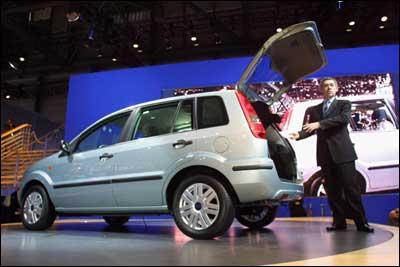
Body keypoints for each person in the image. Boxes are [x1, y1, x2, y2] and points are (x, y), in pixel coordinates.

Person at [289, 77, 374, 233]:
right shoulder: (315, 109)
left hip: (343, 154)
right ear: (321, 89)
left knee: (351, 190)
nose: (328, 88)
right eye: (325, 86)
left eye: (331, 85)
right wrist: (298, 135)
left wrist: (320, 124)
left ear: (336, 88)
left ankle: (362, 224)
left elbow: (343, 119)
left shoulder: (344, 104)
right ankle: (338, 223)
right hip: (325, 155)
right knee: (333, 191)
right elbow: (311, 129)